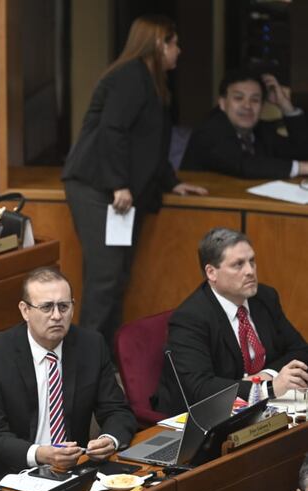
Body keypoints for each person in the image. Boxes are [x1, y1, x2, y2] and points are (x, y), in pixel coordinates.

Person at [62, 14, 207, 354]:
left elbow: (149, 144)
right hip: (98, 189)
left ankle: (106, 358)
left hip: (117, 193)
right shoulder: (129, 76)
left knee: (116, 277)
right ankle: (86, 361)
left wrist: (171, 182)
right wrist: (119, 184)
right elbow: (113, 131)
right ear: (158, 43)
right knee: (105, 278)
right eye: (174, 43)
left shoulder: (152, 81)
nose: (179, 50)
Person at [0, 267, 137, 491]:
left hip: (71, 469)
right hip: (9, 471)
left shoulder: (91, 346)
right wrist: (40, 454)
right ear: (25, 310)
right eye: (46, 307)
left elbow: (117, 411)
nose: (56, 316)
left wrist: (109, 439)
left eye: (63, 306)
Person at [152, 227, 308, 415]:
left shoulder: (264, 297)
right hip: (201, 417)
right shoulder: (190, 318)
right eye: (238, 265)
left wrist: (266, 377)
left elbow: (300, 350)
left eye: (252, 261)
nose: (250, 271)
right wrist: (267, 388)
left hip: (262, 408)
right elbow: (200, 388)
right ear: (211, 272)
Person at [181, 69, 308, 179]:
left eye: (255, 100)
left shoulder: (261, 130)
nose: (247, 106)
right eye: (238, 98)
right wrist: (301, 168)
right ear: (222, 103)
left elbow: (301, 152)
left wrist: (285, 106)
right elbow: (243, 164)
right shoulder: (209, 130)